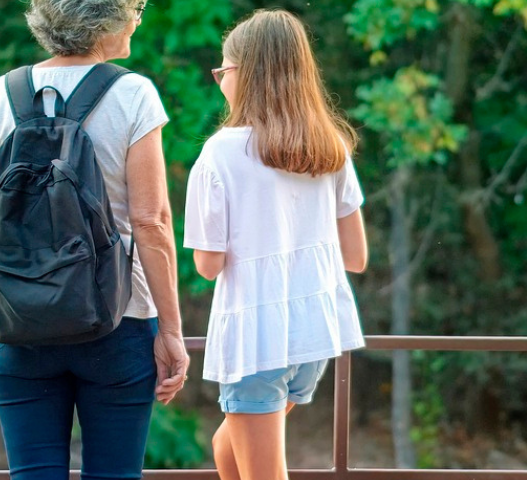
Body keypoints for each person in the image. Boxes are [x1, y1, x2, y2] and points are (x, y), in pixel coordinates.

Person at [0, 1, 190, 478]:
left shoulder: (0, 94)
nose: (139, 18)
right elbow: (151, 222)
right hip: (119, 321)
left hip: (21, 323)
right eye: (136, 7)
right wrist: (170, 332)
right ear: (104, 18)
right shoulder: (133, 94)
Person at [183, 9, 369, 480]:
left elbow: (207, 265)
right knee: (226, 446)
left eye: (223, 70)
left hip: (255, 338)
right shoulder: (331, 146)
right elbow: (357, 257)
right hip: (314, 336)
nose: (219, 80)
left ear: (246, 75)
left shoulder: (221, 152)